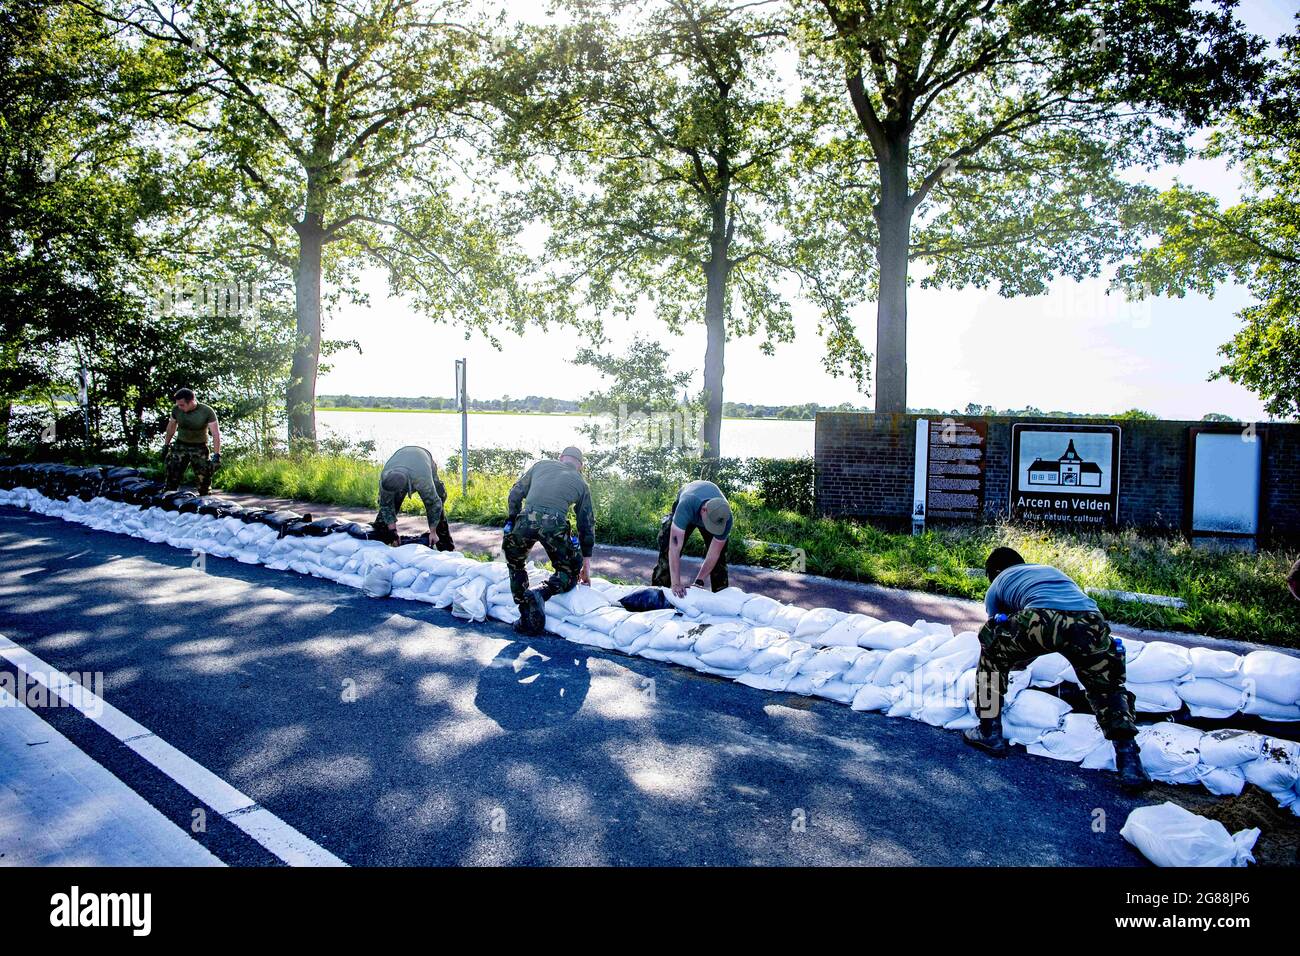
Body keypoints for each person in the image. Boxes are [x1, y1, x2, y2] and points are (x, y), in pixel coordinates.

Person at [964, 546, 1150, 793]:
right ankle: (1129, 761)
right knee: (1106, 686)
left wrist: (1016, 659)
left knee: (991, 650)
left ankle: (988, 730)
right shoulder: (1049, 571)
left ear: (995, 571)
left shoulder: (998, 582)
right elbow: (1065, 617)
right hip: (1089, 621)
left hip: (1041, 618)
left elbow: (999, 627)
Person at [503, 446, 594, 635]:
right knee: (569, 573)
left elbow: (514, 494)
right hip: (555, 524)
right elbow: (586, 524)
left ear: (561, 458)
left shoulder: (541, 465)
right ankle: (541, 593)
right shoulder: (581, 483)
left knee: (516, 565)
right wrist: (585, 564)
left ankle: (526, 616)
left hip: (525, 519)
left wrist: (512, 520)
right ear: (580, 466)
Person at [651, 479, 733, 597]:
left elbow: (714, 554)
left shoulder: (725, 517)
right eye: (711, 524)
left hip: (708, 513)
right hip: (688, 507)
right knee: (666, 553)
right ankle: (657, 594)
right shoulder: (686, 504)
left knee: (719, 561)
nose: (712, 528)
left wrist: (699, 582)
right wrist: (676, 584)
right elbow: (674, 547)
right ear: (703, 510)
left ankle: (721, 598)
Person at [374, 445, 454, 550]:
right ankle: (379, 541)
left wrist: (433, 532)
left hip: (422, 460)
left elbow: (433, 504)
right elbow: (386, 506)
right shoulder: (386, 478)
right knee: (383, 519)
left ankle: (445, 547)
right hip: (400, 458)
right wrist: (392, 532)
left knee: (438, 506)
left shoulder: (421, 479)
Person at [162, 388, 221, 495]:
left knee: (204, 482)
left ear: (191, 402)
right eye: (178, 404)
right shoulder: (176, 410)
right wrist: (166, 445)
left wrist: (216, 455)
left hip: (199, 448)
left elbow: (216, 434)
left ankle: (204, 504)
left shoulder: (207, 411)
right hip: (180, 446)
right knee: (171, 478)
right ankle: (168, 504)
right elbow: (171, 427)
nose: (179, 407)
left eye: (182, 405)